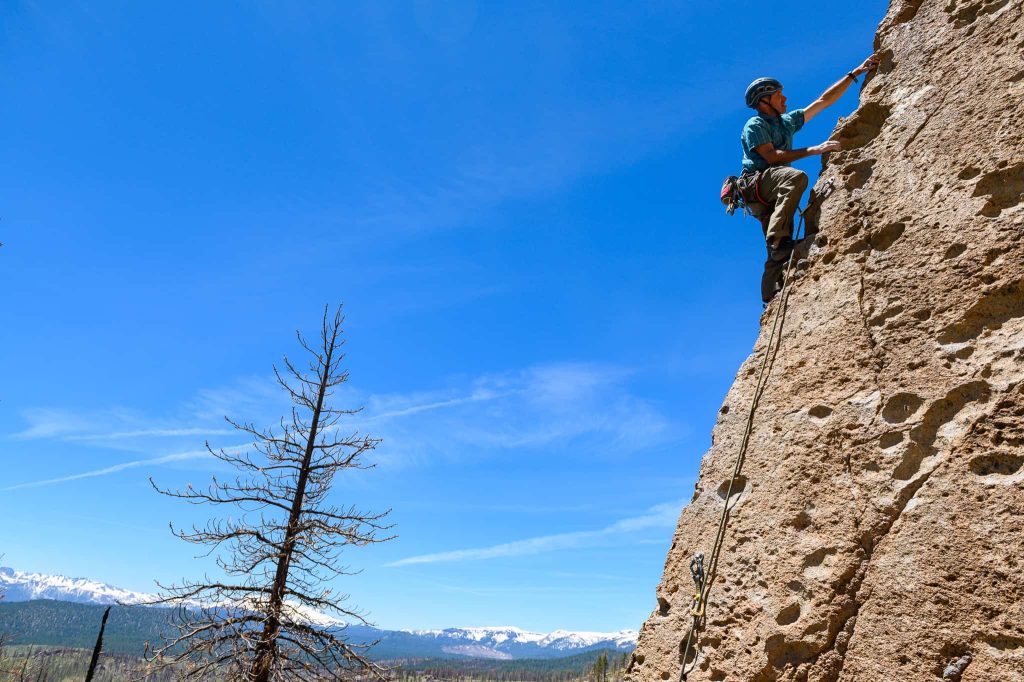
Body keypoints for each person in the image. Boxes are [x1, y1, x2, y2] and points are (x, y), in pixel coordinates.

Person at [741, 54, 879, 304]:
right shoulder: (755, 124)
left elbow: (823, 101)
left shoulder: (786, 122)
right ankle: (777, 241)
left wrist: (855, 74)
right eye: (779, 95)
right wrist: (814, 149)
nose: (785, 99)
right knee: (795, 180)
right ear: (764, 101)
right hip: (759, 183)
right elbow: (771, 157)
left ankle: (770, 295)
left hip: (773, 186)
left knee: (779, 249)